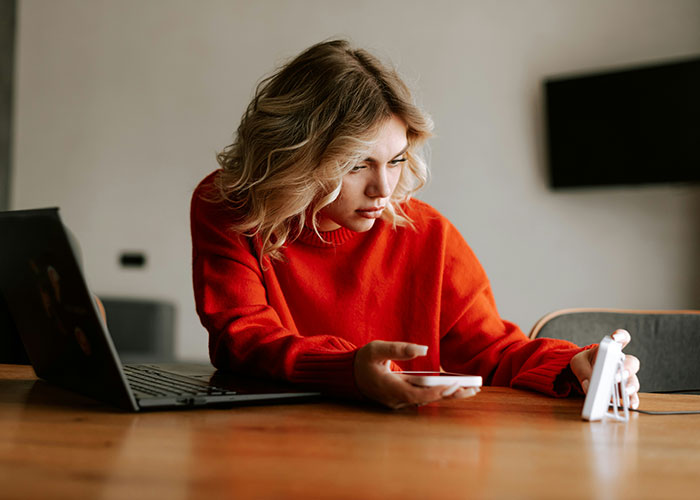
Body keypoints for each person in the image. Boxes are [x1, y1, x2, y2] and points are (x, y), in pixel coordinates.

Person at [190, 39, 640, 410]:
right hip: (267, 444)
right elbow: (243, 339)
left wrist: (577, 363)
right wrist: (350, 370)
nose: (382, 189)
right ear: (294, 156)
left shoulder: (427, 234)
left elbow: (494, 351)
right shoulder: (228, 207)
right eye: (355, 165)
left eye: (396, 159)